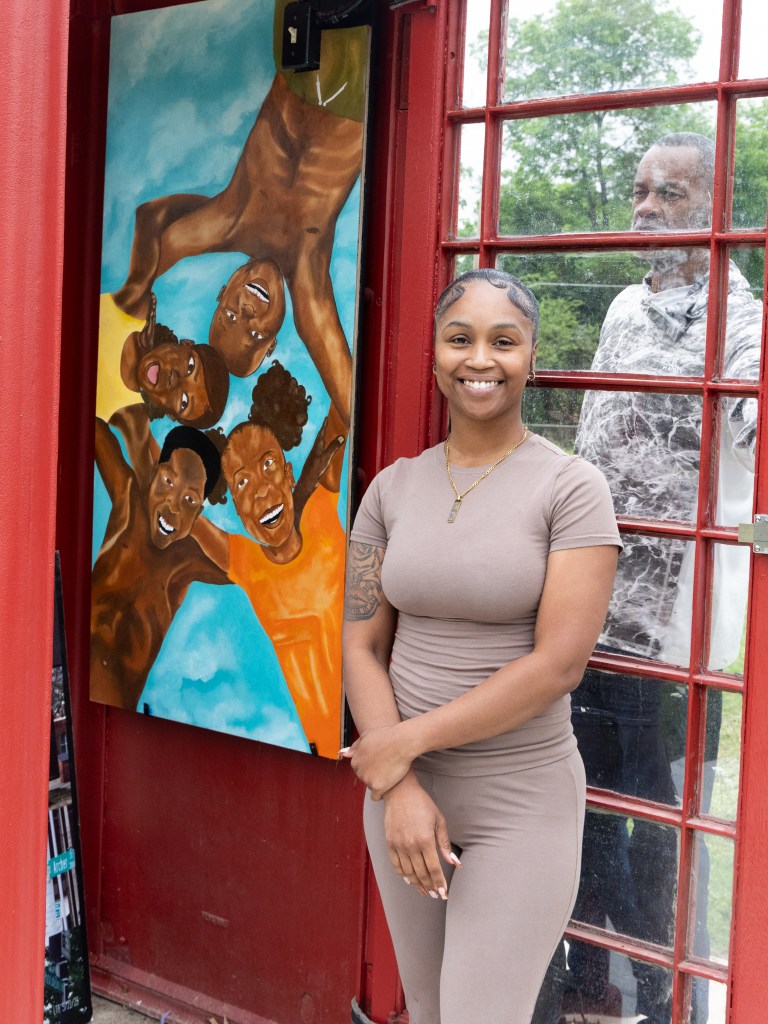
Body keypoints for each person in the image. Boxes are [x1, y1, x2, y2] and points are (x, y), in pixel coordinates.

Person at [340, 269, 621, 1024]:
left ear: (532, 359)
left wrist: (399, 747)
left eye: (504, 341)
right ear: (434, 356)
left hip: (519, 801)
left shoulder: (571, 488)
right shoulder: (392, 490)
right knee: (428, 1010)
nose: (480, 359)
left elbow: (559, 664)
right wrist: (398, 785)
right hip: (404, 798)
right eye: (460, 338)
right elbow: (360, 644)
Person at [545, 133, 761, 1024]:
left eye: (668, 194)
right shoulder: (624, 308)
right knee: (579, 806)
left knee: (666, 825)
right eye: (639, 191)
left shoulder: (743, 321)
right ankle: (590, 980)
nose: (644, 208)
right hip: (586, 608)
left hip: (677, 633)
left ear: (713, 209)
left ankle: (674, 1002)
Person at [101, 0, 367, 427]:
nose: (246, 314)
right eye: (256, 334)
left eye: (229, 314)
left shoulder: (229, 219)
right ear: (274, 343)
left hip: (300, 49)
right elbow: (349, 395)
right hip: (355, 89)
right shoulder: (306, 276)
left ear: (224, 289)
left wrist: (136, 302)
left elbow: (154, 227)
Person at [190, 361, 347, 759]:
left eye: (268, 466)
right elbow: (186, 514)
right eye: (241, 482)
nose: (260, 492)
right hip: (319, 753)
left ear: (290, 474)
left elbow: (343, 397)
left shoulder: (321, 515)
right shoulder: (246, 561)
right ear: (238, 512)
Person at [91, 416, 230, 712]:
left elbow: (251, 568)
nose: (173, 505)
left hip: (112, 712)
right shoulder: (127, 502)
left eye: (190, 500)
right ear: (154, 472)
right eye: (168, 481)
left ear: (199, 514)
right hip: (71, 683)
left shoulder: (187, 560)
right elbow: (96, 429)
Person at [96, 292, 230, 429]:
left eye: (184, 402)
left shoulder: (120, 417)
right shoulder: (138, 306)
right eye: (190, 366)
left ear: (170, 415)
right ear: (186, 343)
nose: (174, 380)